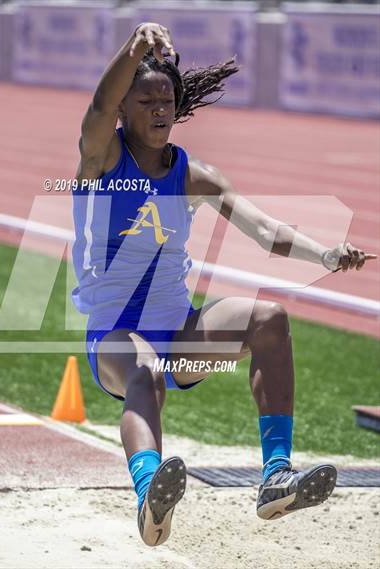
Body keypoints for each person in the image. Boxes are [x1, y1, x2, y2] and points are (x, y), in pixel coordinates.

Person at [71, 23, 376, 547]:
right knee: (146, 373)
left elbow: (267, 233)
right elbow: (98, 105)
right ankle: (150, 497)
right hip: (116, 338)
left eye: (166, 99)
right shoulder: (102, 160)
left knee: (269, 319)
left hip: (182, 334)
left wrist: (325, 253)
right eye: (145, 100)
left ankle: (275, 477)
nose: (160, 109)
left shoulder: (194, 175)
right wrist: (136, 45)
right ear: (124, 109)